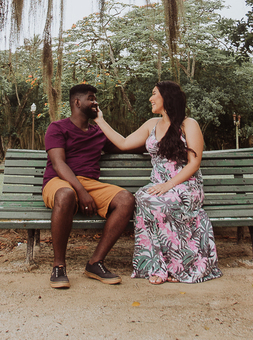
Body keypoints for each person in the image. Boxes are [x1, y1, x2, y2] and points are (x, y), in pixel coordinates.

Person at [94, 80, 221, 284]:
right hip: (159, 185)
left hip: (185, 185)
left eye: (154, 94)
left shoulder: (189, 124)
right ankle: (156, 265)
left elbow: (194, 163)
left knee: (159, 201)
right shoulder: (151, 125)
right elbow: (124, 143)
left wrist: (168, 185)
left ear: (166, 97)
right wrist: (100, 120)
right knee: (143, 198)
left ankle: (178, 266)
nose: (150, 98)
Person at [42, 83, 136, 289]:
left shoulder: (99, 133)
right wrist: (81, 192)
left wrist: (161, 139)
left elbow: (125, 145)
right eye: (91, 98)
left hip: (89, 183)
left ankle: (95, 263)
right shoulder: (57, 127)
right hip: (59, 182)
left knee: (126, 199)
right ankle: (59, 266)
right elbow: (59, 164)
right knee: (66, 194)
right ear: (77, 102)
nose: (96, 102)